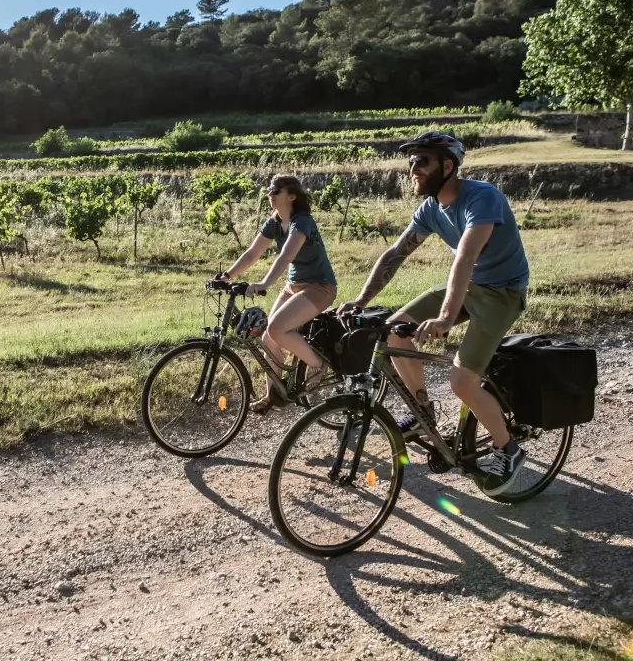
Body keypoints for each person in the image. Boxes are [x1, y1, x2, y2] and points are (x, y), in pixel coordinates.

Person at [338, 131, 530, 495]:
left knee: (462, 381)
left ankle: (509, 450)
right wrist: (361, 301)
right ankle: (424, 412)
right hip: (469, 285)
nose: (413, 169)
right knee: (394, 330)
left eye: (421, 161)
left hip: (501, 293)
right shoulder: (430, 208)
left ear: (447, 165)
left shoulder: (482, 198)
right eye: (410, 162)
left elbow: (466, 257)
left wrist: (444, 317)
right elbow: (396, 253)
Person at [216, 174, 338, 413]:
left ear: (291, 196)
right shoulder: (274, 222)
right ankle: (274, 394)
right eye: (269, 189)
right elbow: (253, 253)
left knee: (277, 328)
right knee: (268, 338)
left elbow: (286, 256)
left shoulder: (302, 222)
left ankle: (318, 364)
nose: (270, 193)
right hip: (294, 287)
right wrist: (227, 276)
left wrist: (263, 284)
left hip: (320, 287)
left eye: (275, 190)